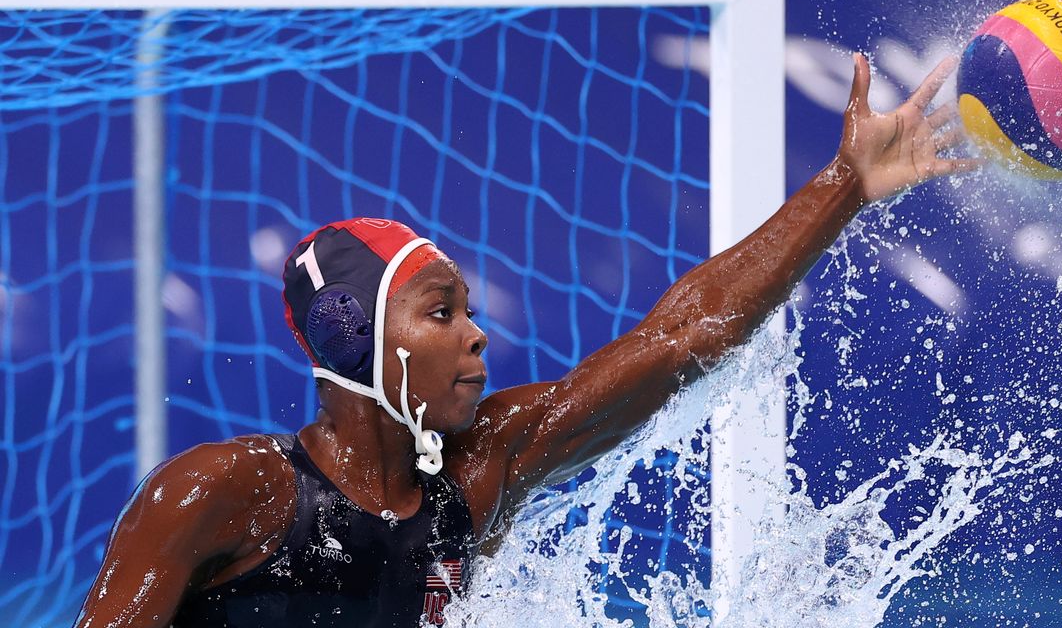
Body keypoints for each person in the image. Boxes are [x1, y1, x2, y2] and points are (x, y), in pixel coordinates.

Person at [75, 54, 979, 628]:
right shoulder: (222, 493)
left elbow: (682, 337)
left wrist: (844, 186)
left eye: (466, 309)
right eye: (440, 312)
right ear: (353, 340)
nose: (476, 334)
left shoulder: (482, 470)